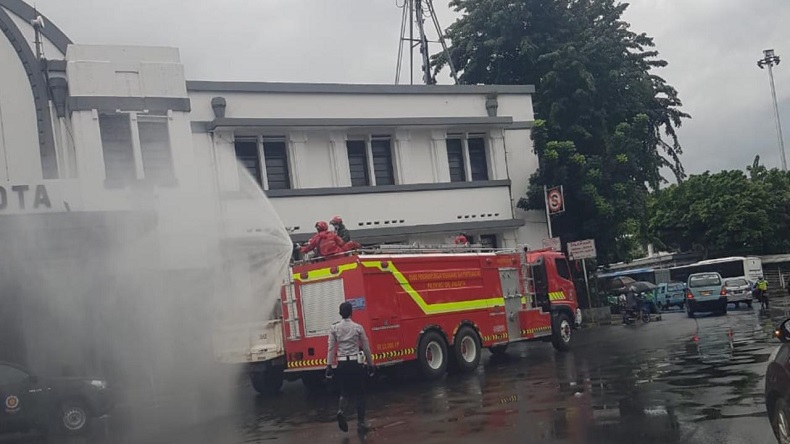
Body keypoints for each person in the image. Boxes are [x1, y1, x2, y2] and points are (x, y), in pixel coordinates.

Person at [326, 301, 375, 434]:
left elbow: (331, 348)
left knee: (345, 391)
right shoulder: (358, 328)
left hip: (342, 364)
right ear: (351, 312)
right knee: (360, 393)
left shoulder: (334, 328)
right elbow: (365, 347)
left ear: (340, 313)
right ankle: (361, 423)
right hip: (355, 363)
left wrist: (329, 365)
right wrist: (371, 364)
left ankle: (341, 411)